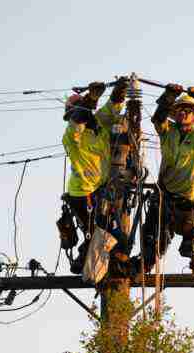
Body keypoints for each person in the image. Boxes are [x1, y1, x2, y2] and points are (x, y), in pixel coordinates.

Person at [140, 83, 194, 272]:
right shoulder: (168, 133)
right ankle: (144, 267)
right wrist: (168, 97)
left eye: (188, 110)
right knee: (151, 243)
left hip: (185, 203)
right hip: (163, 198)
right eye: (180, 110)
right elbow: (158, 119)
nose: (183, 113)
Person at [59, 79, 128, 275]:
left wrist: (120, 89)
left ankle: (94, 266)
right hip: (82, 194)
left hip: (100, 190)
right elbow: (78, 121)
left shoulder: (100, 124)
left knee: (111, 236)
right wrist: (91, 98)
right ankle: (86, 265)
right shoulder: (72, 135)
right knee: (100, 234)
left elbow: (113, 106)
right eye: (75, 112)